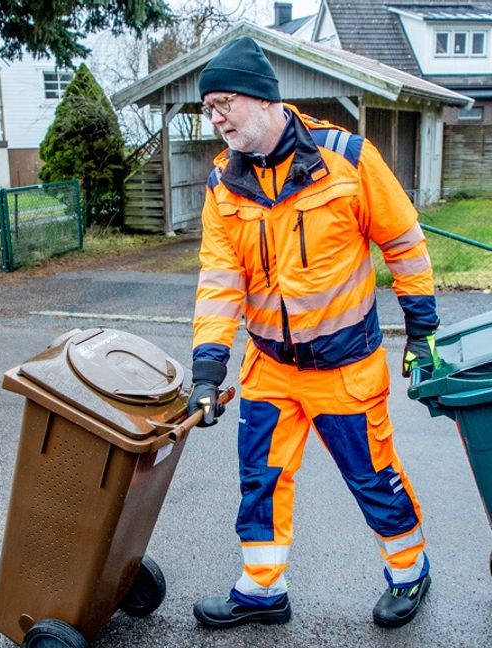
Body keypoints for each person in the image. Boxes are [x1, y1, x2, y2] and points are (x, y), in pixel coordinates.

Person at [186, 36, 441, 630]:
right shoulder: (224, 184)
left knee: (371, 477)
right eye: (208, 108)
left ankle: (410, 571)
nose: (216, 116)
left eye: (224, 102)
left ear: (265, 99)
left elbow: (403, 243)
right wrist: (207, 369)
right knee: (260, 480)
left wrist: (422, 331)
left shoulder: (347, 159)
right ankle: (261, 590)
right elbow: (220, 281)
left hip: (345, 368)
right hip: (270, 368)